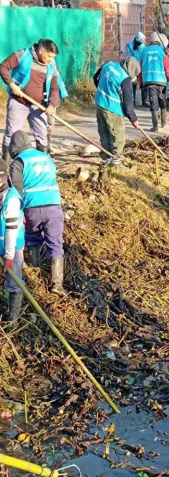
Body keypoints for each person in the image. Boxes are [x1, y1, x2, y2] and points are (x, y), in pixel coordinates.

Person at [8, 130, 66, 295]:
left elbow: (16, 190)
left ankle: (35, 271)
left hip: (32, 208)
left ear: (14, 147)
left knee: (33, 238)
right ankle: (57, 284)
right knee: (55, 243)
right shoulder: (45, 157)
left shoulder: (19, 162)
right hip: (54, 206)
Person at [0, 39, 66, 161]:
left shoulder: (52, 65)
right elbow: (3, 67)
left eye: (53, 57)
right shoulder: (23, 55)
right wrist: (12, 85)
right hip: (19, 102)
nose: (51, 60)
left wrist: (51, 105)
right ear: (41, 51)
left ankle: (42, 165)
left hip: (39, 106)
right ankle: (5, 166)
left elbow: (55, 88)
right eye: (49, 56)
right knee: (12, 133)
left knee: (41, 136)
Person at [93, 57, 141, 167]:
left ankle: (105, 158)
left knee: (104, 132)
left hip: (100, 103)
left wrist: (103, 91)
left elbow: (95, 77)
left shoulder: (108, 64)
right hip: (113, 109)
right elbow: (128, 104)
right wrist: (134, 119)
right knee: (117, 136)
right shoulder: (125, 80)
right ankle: (116, 161)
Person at [0, 159, 25, 324]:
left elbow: (11, 230)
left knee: (13, 281)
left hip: (12, 247)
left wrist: (9, 256)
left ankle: (13, 319)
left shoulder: (12, 200)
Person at [141, 32, 169, 132]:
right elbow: (167, 69)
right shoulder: (163, 51)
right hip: (161, 81)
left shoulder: (144, 51)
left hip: (149, 80)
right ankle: (164, 122)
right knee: (162, 100)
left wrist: (140, 81)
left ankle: (155, 127)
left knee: (153, 102)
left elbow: (140, 66)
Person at [126, 32, 147, 107]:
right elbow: (128, 58)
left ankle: (145, 101)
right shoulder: (129, 46)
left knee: (143, 84)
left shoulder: (143, 46)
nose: (143, 41)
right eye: (142, 40)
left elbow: (144, 56)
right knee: (132, 85)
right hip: (133, 68)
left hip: (141, 67)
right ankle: (132, 102)